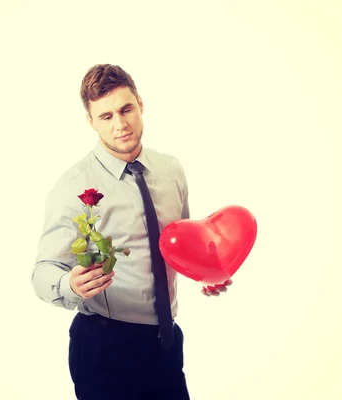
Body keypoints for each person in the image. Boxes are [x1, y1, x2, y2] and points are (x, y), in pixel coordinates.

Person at [31, 64, 231, 400]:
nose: (120, 124)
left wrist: (207, 275)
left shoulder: (171, 170)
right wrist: (70, 284)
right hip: (104, 347)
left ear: (140, 103)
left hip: (165, 344)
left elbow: (182, 246)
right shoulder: (73, 186)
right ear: (91, 122)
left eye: (126, 109)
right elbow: (42, 272)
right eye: (106, 116)